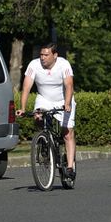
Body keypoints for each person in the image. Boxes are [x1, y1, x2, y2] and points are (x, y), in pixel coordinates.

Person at [22, 42, 76, 183]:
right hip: (44, 99)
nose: (43, 58)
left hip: (63, 100)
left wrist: (67, 103)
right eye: (41, 55)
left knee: (67, 132)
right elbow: (26, 87)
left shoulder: (64, 64)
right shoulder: (34, 65)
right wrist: (22, 108)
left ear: (55, 55)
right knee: (38, 118)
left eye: (46, 55)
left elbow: (69, 85)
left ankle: (70, 167)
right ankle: (44, 143)